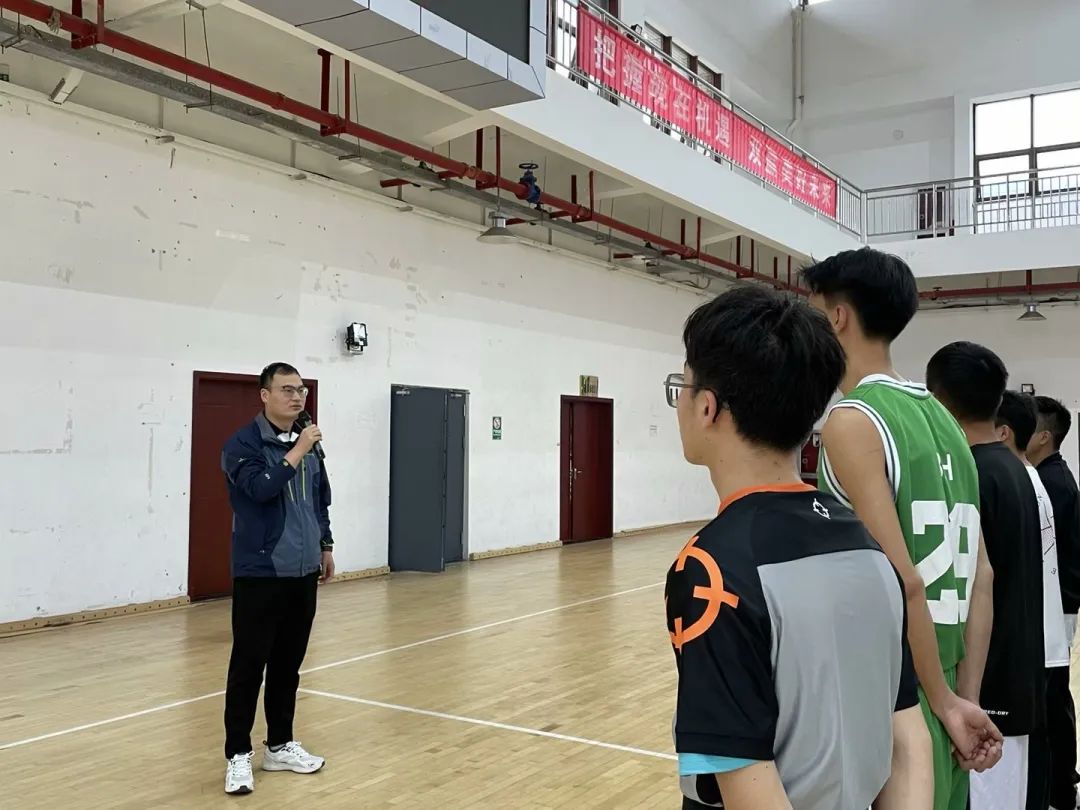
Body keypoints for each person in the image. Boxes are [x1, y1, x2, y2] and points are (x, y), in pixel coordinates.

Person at [666, 284, 929, 810]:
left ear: (708, 408)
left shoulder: (711, 569)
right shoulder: (868, 545)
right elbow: (908, 739)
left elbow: (747, 777)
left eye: (683, 387)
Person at [805, 248, 1001, 810]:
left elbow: (903, 581)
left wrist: (939, 701)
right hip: (948, 687)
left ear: (837, 317)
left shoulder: (852, 420)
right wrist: (964, 699)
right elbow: (982, 576)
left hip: (897, 696)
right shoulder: (947, 420)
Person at [926, 344, 1047, 810]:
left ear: (938, 400)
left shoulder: (970, 473)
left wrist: (963, 692)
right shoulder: (1013, 468)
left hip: (987, 686)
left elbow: (976, 582)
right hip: (1016, 673)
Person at [220, 362, 335, 795]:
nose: (297, 397)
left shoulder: (308, 443)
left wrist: (325, 545)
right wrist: (298, 450)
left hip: (302, 571)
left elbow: (320, 498)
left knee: (288, 665)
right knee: (248, 667)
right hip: (260, 572)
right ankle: (237, 754)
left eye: (301, 390)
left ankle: (280, 745)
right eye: (287, 389)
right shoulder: (243, 445)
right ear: (265, 395)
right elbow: (260, 489)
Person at [996, 390, 1070, 810]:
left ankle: (1058, 791)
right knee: (1044, 721)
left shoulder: (1030, 480)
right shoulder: (1033, 478)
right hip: (1042, 624)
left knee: (1042, 723)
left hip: (1037, 623)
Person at [1027, 395, 1080, 810]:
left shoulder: (1051, 482)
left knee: (1050, 698)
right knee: (1054, 696)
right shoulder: (1050, 477)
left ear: (1044, 436)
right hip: (1058, 603)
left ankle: (1059, 788)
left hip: (1056, 604)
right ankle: (1062, 785)